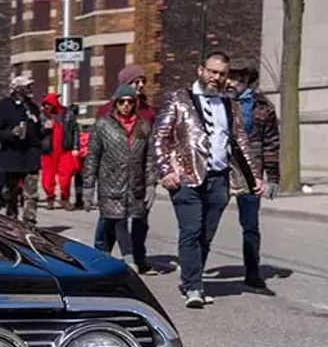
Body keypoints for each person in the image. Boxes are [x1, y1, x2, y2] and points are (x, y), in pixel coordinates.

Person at [153, 50, 261, 308]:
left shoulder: (228, 103)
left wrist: (254, 175)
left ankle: (192, 276)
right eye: (212, 71)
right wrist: (166, 170)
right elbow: (160, 137)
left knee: (206, 234)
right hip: (186, 177)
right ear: (201, 70)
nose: (216, 77)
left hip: (218, 178)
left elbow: (241, 142)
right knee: (190, 230)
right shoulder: (179, 99)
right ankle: (193, 287)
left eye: (221, 74)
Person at [84, 85, 158, 274]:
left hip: (135, 183)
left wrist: (151, 183)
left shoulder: (142, 126)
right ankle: (129, 258)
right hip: (110, 181)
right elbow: (93, 156)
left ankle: (102, 258)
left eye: (130, 102)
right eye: (122, 101)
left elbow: (148, 157)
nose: (126, 105)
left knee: (114, 222)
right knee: (118, 220)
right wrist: (88, 187)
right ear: (115, 103)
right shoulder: (103, 125)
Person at [228, 60, 281, 293]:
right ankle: (194, 276)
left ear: (248, 79)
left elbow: (271, 143)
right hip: (221, 170)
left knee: (250, 225)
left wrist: (274, 178)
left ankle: (252, 273)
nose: (233, 81)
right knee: (205, 223)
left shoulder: (263, 107)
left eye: (239, 77)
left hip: (252, 173)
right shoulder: (216, 102)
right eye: (231, 76)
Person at [0, 74, 46, 225]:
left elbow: (38, 132)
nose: (30, 89)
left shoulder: (33, 107)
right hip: (11, 156)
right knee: (11, 192)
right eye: (27, 86)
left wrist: (45, 129)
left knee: (31, 193)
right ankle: (11, 218)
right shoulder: (6, 106)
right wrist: (11, 133)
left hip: (30, 155)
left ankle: (29, 222)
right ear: (18, 89)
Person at [39, 92, 80, 209]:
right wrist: (45, 129)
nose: (46, 107)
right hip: (48, 151)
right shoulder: (42, 115)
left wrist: (75, 147)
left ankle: (65, 198)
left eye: (48, 104)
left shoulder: (68, 113)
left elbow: (75, 130)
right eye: (44, 104)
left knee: (66, 177)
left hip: (65, 150)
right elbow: (36, 133)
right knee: (47, 178)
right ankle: (50, 197)